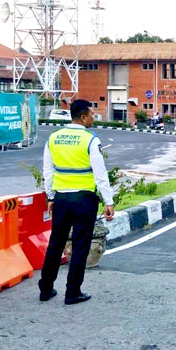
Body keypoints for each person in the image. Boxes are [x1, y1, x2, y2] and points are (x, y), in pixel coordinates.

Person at [39, 100, 115, 305]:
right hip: (84, 200)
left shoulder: (54, 138)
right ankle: (72, 292)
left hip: (62, 200)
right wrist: (109, 201)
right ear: (82, 117)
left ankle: (45, 288)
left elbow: (48, 171)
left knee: (55, 243)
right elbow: (100, 174)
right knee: (81, 245)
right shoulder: (90, 140)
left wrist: (51, 197)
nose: (93, 117)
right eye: (91, 114)